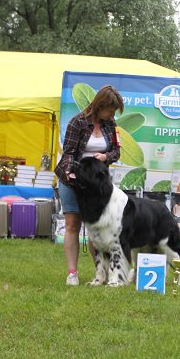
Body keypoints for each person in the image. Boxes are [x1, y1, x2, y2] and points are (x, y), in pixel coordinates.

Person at [54, 85, 124, 285]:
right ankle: (72, 273)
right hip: (73, 179)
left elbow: (116, 152)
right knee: (72, 225)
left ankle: (100, 273)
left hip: (98, 184)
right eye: (110, 109)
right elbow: (68, 153)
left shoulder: (110, 124)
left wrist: (105, 156)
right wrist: (71, 173)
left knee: (97, 228)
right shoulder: (77, 122)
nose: (112, 114)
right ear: (100, 105)